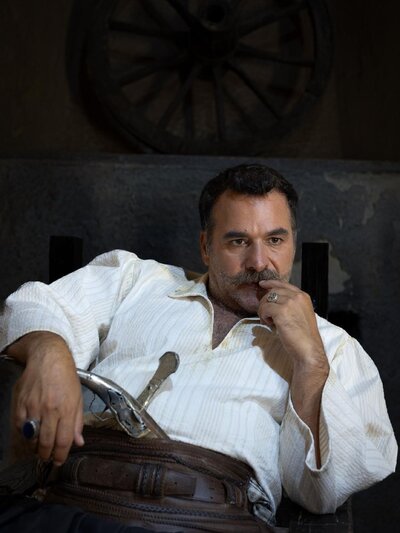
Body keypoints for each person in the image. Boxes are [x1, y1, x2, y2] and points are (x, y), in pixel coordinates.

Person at [0, 164, 397, 532]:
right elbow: (35, 305)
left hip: (208, 521)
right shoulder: (136, 280)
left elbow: (325, 491)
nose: (259, 262)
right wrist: (49, 353)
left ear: (292, 243)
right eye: (238, 241)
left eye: (275, 240)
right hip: (74, 502)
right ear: (206, 247)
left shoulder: (334, 348)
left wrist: (310, 361)